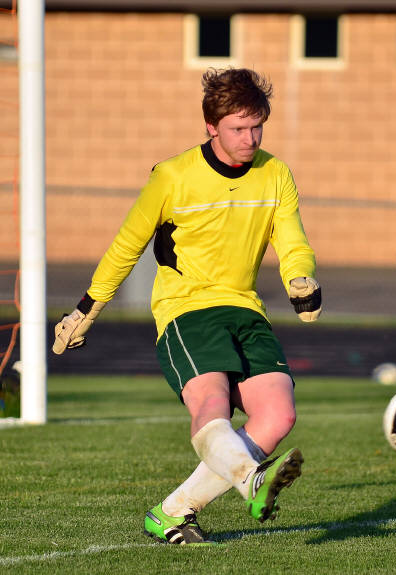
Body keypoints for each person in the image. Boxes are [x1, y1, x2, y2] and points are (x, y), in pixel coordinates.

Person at [52, 68, 322, 545]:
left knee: (279, 415)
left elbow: (291, 239)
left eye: (258, 127)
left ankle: (174, 512)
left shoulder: (275, 173)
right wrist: (85, 310)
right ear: (211, 126)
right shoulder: (172, 176)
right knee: (212, 404)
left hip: (245, 308)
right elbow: (126, 246)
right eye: (239, 128)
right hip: (186, 309)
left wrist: (299, 276)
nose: (250, 139)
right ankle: (250, 479)